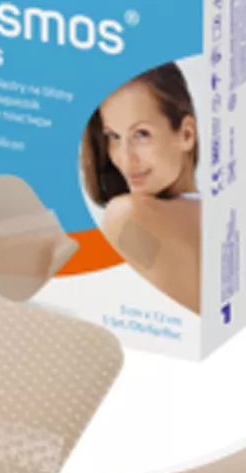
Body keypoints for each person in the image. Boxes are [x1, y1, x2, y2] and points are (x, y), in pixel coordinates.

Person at [81, 63, 202, 313]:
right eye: (114, 137)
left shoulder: (128, 215)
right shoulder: (223, 215)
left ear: (187, 134)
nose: (126, 159)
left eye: (142, 134)